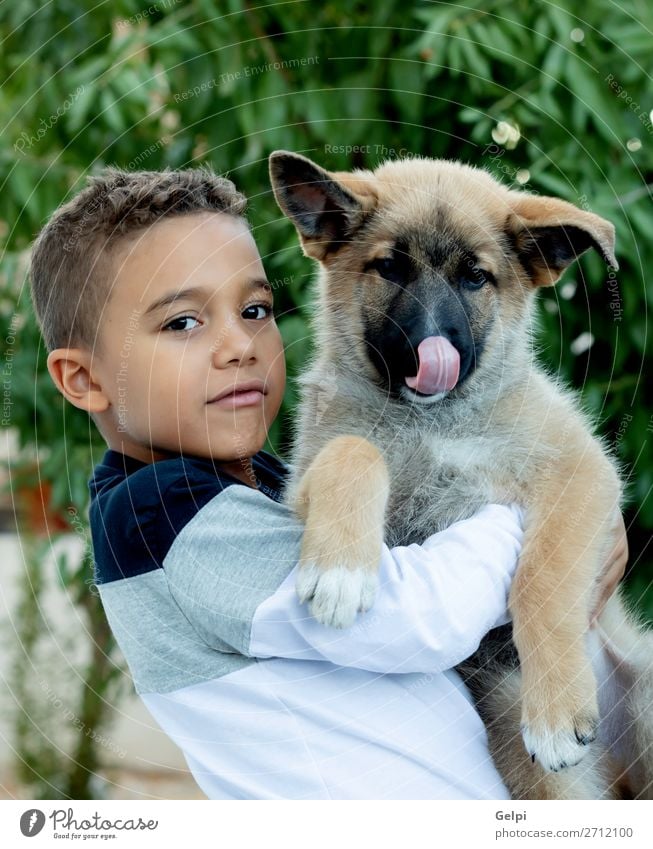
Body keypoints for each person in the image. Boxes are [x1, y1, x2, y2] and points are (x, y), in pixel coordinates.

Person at [29, 167, 627, 800]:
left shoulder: (252, 479)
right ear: (84, 380)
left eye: (255, 310)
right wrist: (542, 514)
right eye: (181, 323)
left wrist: (570, 510)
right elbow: (415, 617)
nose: (239, 346)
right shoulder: (158, 520)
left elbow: (581, 478)